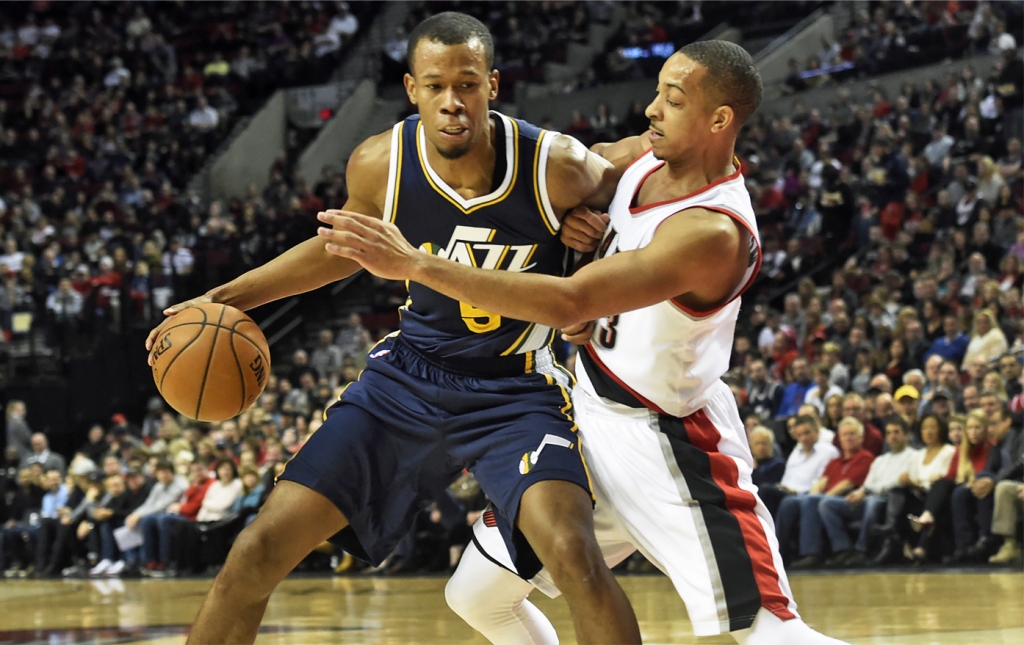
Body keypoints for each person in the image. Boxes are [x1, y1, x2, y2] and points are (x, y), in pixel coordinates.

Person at [320, 40, 844, 644]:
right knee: (475, 596)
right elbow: (581, 178)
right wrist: (572, 232)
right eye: (656, 93)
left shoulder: (712, 231)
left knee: (774, 635)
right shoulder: (642, 159)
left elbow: (572, 302)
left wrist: (419, 265)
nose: (650, 110)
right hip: (589, 420)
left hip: (669, 443)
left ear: (720, 120)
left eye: (672, 101)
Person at [145, 13, 640, 644]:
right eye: (435, 86)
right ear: (411, 89)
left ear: (493, 84)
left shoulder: (555, 167)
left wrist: (596, 235)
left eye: (467, 83)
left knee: (576, 559)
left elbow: (631, 170)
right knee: (254, 553)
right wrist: (228, 296)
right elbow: (336, 250)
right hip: (406, 381)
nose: (452, 102)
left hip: (517, 391)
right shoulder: (381, 164)